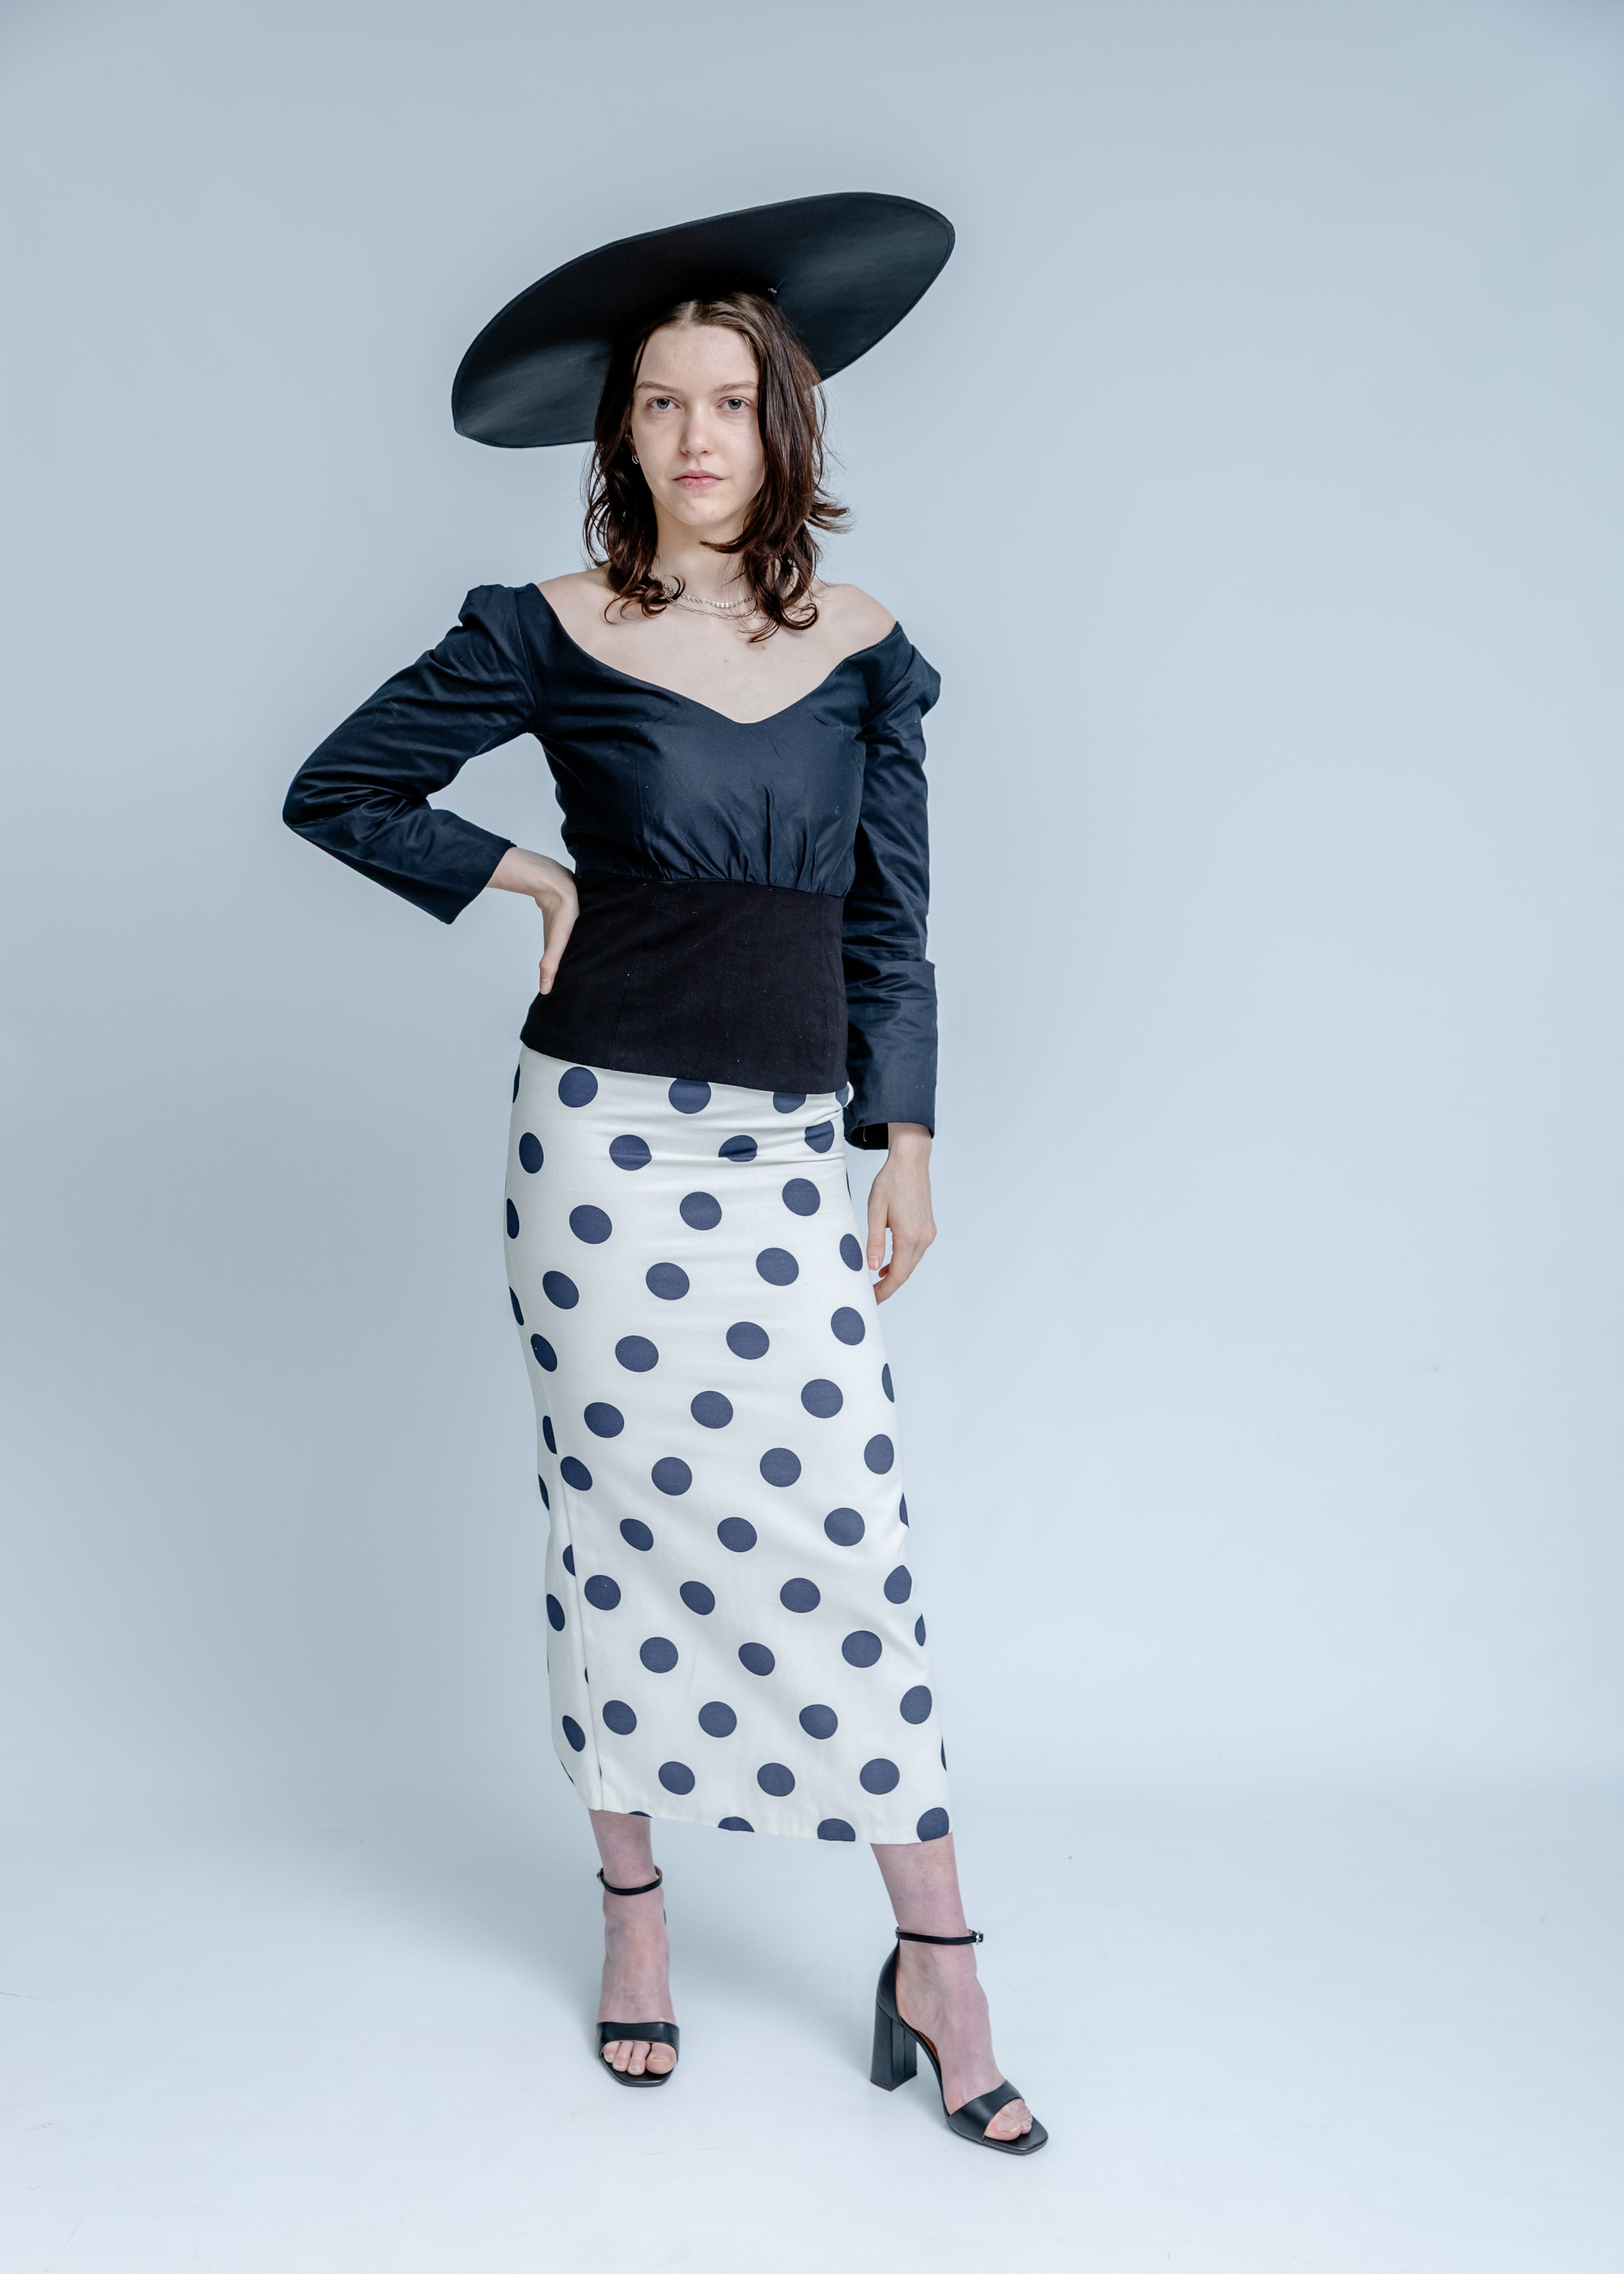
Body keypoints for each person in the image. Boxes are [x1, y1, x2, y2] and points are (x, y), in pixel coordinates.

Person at [282, 196, 1045, 2154]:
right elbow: (339, 787)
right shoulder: (541, 626)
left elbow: (894, 927)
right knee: (618, 1528)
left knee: (844, 1544)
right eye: (658, 405)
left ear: (788, 427)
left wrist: (909, 1135)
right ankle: (636, 1912)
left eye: (730, 401)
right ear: (619, 436)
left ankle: (937, 1955)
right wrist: (520, 872)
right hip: (602, 1147)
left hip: (795, 1145)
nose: (696, 436)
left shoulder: (870, 655)